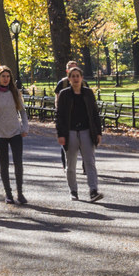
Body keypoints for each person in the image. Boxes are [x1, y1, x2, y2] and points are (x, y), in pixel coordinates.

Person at [53, 61, 105, 201]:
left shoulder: (88, 93)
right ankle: (73, 191)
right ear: (69, 79)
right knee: (71, 164)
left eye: (78, 76)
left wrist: (98, 132)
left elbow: (94, 113)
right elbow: (59, 115)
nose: (76, 79)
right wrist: (60, 134)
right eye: (73, 76)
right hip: (70, 132)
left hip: (87, 131)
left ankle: (93, 190)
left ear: (82, 78)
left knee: (90, 162)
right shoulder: (64, 94)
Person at [0, 65, 29, 204]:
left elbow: (22, 111)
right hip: (0, 134)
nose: (5, 79)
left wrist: (25, 127)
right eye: (3, 76)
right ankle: (8, 194)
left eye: (7, 76)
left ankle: (20, 193)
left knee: (18, 163)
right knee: (4, 164)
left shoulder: (15, 93)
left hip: (15, 132)